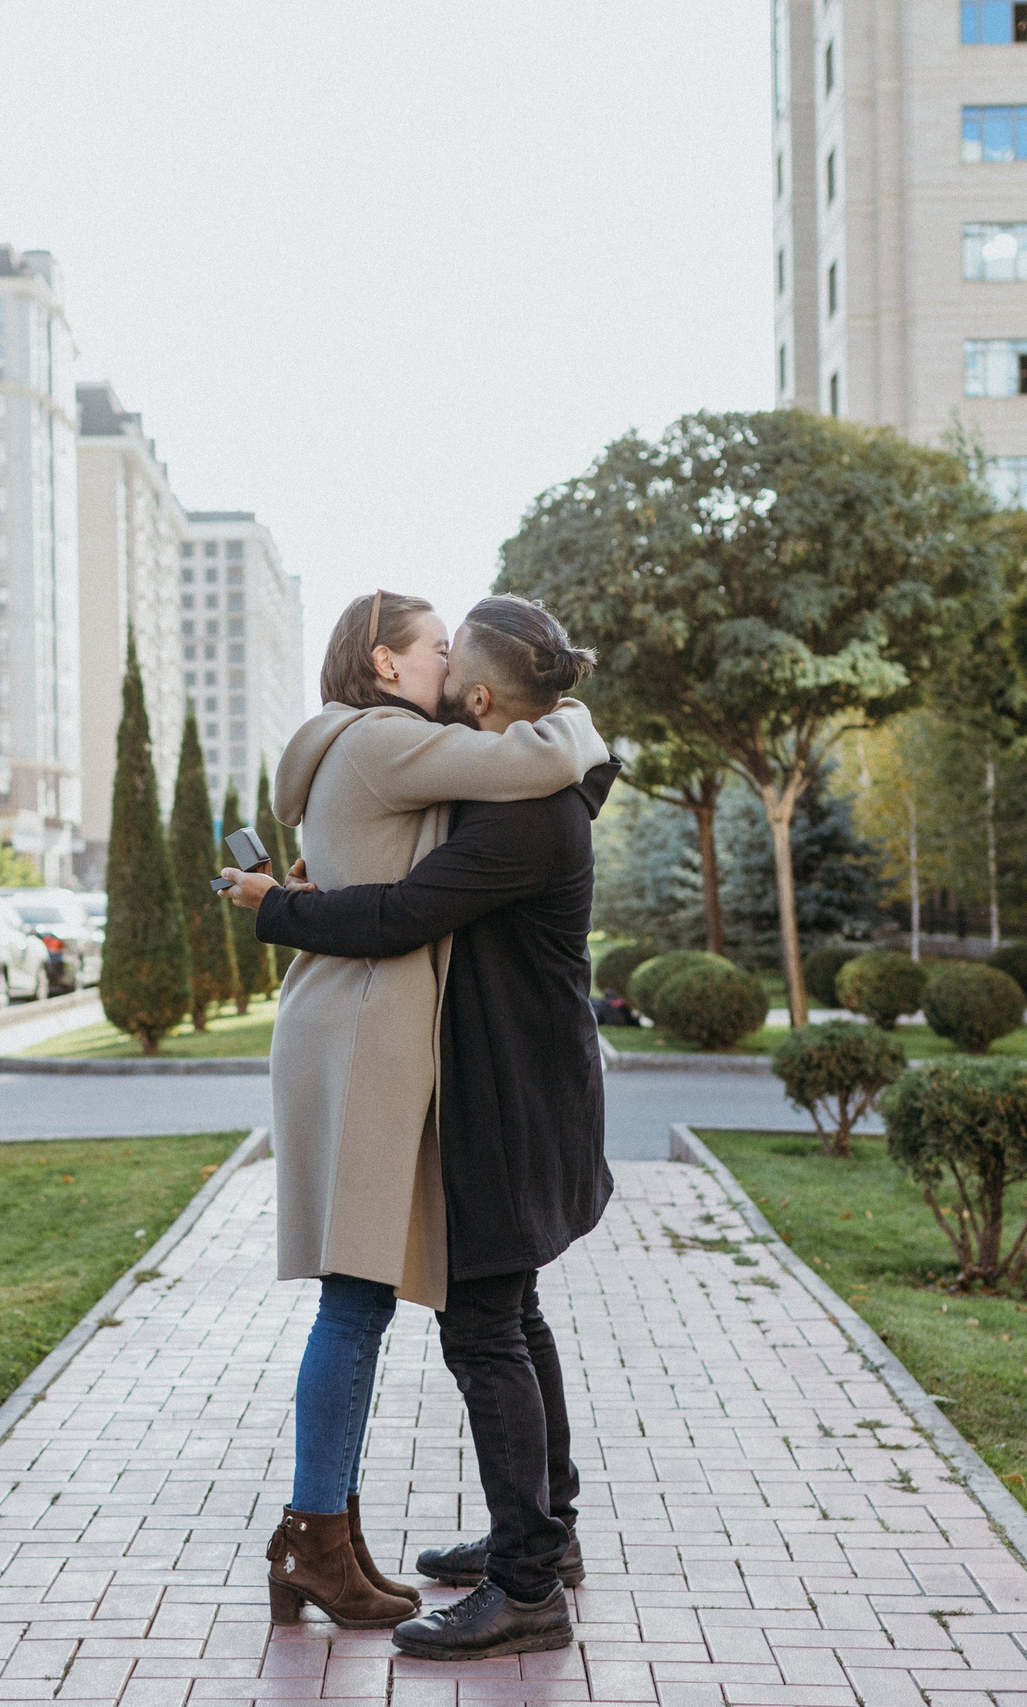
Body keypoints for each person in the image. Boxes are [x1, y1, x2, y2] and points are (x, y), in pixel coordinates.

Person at [229, 596, 617, 1662]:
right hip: (501, 1081)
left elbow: (402, 913)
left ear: (480, 697)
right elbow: (401, 887)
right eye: (429, 647)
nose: (442, 667)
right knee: (491, 1313)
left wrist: (276, 905)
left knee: (486, 1323)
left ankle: (527, 1574)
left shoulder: (519, 809)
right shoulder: (458, 771)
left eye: (453, 656)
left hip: (510, 1092)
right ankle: (534, 1539)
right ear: (385, 662)